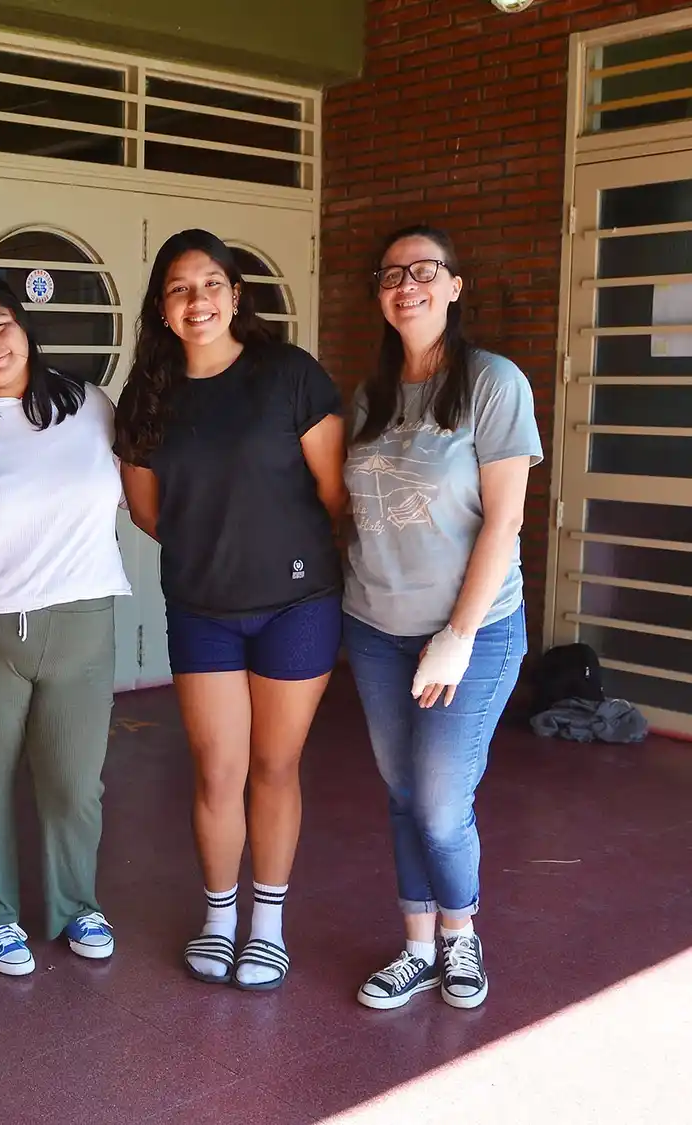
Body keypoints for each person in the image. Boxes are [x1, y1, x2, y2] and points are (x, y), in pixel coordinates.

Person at [115, 229, 347, 992]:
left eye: (211, 283)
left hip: (297, 602)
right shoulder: (149, 394)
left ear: (235, 294)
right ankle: (220, 918)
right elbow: (149, 511)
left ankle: (268, 925)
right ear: (161, 305)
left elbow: (334, 491)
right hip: (202, 606)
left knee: (275, 767)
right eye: (180, 287)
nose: (197, 300)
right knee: (218, 770)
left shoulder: (288, 375)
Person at [346, 225, 540, 1012]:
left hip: (474, 630)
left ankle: (461, 933)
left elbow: (504, 521)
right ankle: (417, 946)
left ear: (454, 286)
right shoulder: (370, 395)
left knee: (437, 801)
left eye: (424, 270)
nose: (406, 284)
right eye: (391, 274)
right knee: (400, 793)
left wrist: (456, 638)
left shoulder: (494, 383)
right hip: (374, 626)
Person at [0, 273, 131, 976]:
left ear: (24, 326)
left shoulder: (90, 405)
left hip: (81, 620)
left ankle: (77, 902)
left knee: (75, 781)